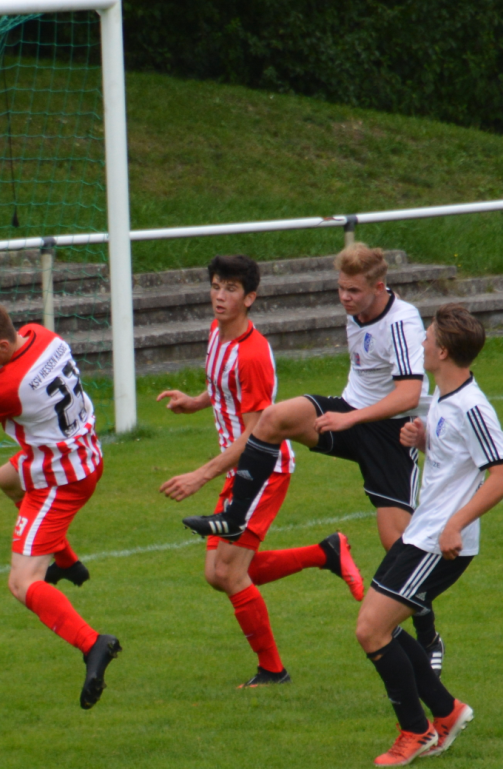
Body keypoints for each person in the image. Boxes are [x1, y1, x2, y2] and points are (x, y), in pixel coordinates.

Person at [183, 243, 446, 671]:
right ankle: (235, 516)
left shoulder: (402, 320)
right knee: (273, 419)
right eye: (341, 289)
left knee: (399, 546)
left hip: (389, 432)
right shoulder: (354, 310)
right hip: (349, 413)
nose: (345, 298)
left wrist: (351, 418)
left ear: (379, 286)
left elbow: (408, 394)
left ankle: (428, 633)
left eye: (354, 291)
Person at [158, 255, 365, 687]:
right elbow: (221, 387)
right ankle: (325, 553)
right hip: (239, 468)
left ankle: (273, 671)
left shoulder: (252, 355)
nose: (220, 296)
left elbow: (255, 435)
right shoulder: (217, 332)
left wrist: (200, 475)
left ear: (250, 298)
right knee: (218, 573)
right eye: (216, 285)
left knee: (228, 573)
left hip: (262, 470)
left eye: (231, 289)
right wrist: (195, 402)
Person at [355, 303, 503, 766]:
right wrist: (424, 439)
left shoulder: (472, 406)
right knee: (379, 626)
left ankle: (416, 731)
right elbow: (455, 462)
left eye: (427, 337)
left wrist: (455, 524)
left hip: (438, 542)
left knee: (371, 629)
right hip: (422, 532)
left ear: (442, 351)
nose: (421, 342)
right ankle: (446, 712)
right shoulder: (445, 396)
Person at [0, 294, 120, 709]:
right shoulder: (43, 335)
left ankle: (93, 644)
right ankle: (67, 562)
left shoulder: (3, 388)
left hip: (59, 479)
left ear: (2, 345)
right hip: (85, 453)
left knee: (21, 583)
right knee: (6, 479)